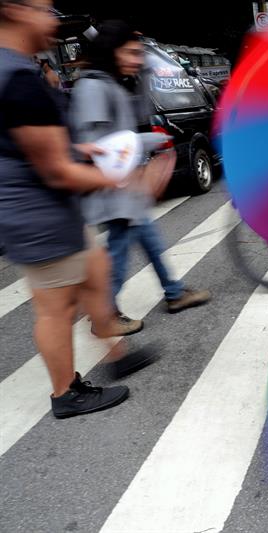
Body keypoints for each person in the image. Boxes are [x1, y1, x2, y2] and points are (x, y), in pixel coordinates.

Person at [0, 0, 157, 418]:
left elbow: (30, 146)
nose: (53, 21)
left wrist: (81, 149)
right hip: (38, 213)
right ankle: (65, 393)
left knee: (95, 272)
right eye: (45, 9)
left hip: (43, 209)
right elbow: (55, 171)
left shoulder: (14, 70)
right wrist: (124, 179)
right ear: (14, 10)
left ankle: (115, 351)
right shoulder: (17, 79)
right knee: (55, 309)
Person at [70, 20, 210, 334]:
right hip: (112, 189)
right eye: (131, 52)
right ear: (112, 50)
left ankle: (174, 292)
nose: (138, 60)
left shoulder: (111, 81)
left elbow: (117, 137)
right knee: (118, 253)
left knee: (149, 238)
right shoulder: (93, 86)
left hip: (125, 187)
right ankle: (105, 315)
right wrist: (151, 145)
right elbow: (97, 145)